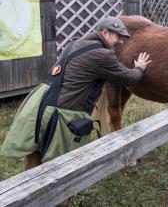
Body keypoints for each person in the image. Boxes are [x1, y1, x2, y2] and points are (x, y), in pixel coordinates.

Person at [1, 15, 151, 174]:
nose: (121, 41)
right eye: (119, 36)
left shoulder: (74, 43)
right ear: (105, 32)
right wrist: (139, 67)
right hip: (59, 115)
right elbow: (128, 77)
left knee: (34, 162)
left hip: (38, 105)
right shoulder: (102, 55)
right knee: (61, 168)